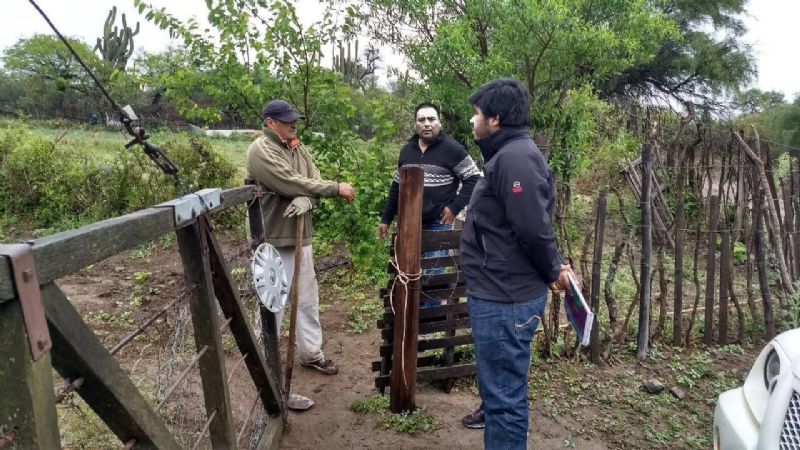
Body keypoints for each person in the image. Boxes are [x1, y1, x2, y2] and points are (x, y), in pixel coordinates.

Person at [459, 79, 573, 448]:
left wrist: (553, 269)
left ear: (494, 119)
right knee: (499, 395)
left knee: (504, 400)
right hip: (498, 292)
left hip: (505, 299)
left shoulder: (515, 158)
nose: (472, 121)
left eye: (476, 114)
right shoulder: (508, 155)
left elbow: (533, 227)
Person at [246, 99, 355, 376]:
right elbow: (290, 182)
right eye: (286, 120)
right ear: (271, 123)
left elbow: (311, 180)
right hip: (273, 238)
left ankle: (310, 353)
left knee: (307, 298)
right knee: (274, 300)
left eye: (294, 119)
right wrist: (331, 189)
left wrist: (311, 200)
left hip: (301, 235)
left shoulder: (297, 147)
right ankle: (262, 356)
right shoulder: (261, 150)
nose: (293, 124)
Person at [378, 103, 481, 307]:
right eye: (422, 119)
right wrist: (386, 219)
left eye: (431, 119)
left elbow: (474, 178)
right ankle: (411, 316)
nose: (427, 124)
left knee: (433, 273)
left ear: (439, 123)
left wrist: (454, 207)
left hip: (438, 222)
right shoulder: (407, 151)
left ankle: (428, 321)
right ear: (415, 124)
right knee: (409, 270)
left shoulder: (452, 149)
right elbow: (396, 186)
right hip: (409, 223)